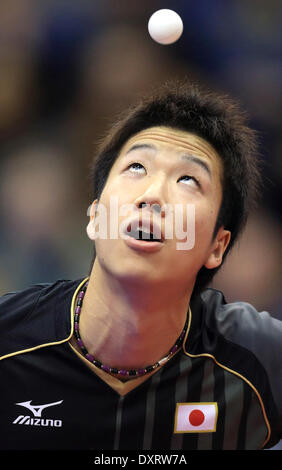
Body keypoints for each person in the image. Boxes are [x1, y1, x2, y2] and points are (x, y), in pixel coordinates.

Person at [1, 81, 281, 451]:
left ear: (218, 246)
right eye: (136, 167)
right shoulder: (9, 343)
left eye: (188, 179)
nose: (152, 196)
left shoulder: (260, 361)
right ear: (95, 217)